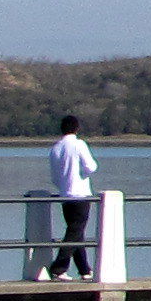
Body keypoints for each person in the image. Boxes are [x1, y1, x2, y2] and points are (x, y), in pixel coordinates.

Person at [45, 116, 98, 279]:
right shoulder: (79, 145)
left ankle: (84, 270)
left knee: (76, 231)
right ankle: (59, 267)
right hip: (80, 194)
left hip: (65, 195)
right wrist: (82, 174)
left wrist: (64, 184)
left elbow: (54, 177)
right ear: (77, 128)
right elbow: (91, 166)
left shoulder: (55, 148)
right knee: (75, 231)